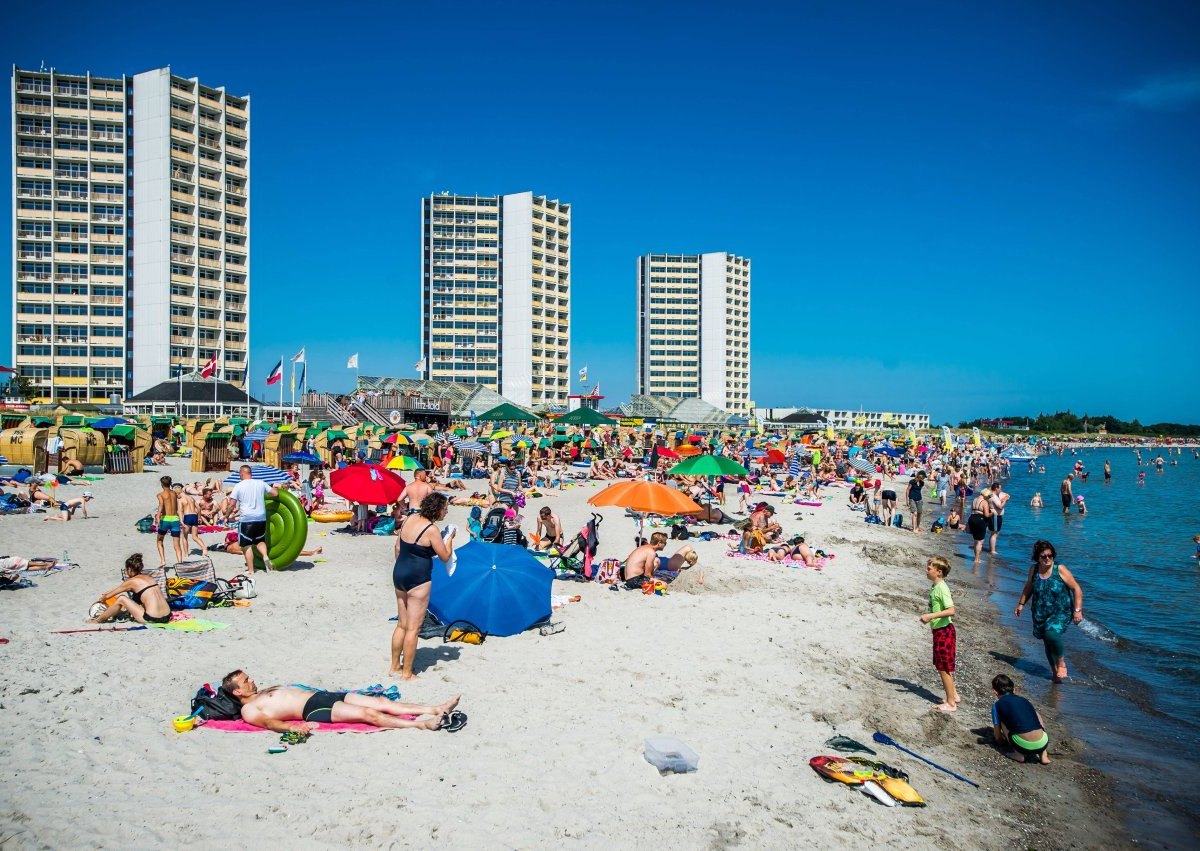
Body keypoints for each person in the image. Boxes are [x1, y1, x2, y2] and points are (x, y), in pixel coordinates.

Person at [223, 670, 462, 732]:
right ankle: (422, 724)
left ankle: (435, 708)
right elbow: (269, 724)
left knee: (379, 702)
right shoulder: (250, 710)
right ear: (237, 692)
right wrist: (293, 727)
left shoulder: (262, 693)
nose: (251, 680)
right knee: (368, 715)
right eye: (245, 681)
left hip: (323, 695)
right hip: (313, 708)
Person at [390, 492, 454, 680]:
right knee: (413, 628)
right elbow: (445, 557)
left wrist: (405, 565)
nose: (446, 513)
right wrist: (449, 538)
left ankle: (394, 667)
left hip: (399, 572)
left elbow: (397, 547)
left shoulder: (409, 519)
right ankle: (408, 674)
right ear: (438, 509)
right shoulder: (432, 530)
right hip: (418, 578)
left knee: (401, 625)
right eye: (446, 509)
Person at [1016, 540, 1084, 683]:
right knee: (1047, 642)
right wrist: (1021, 604)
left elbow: (1076, 588)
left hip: (1061, 612)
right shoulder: (1034, 570)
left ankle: (1061, 663)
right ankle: (1055, 674)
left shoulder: (1059, 569)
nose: (1048, 559)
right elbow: (1029, 587)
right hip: (1040, 612)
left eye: (1050, 556)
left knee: (1051, 633)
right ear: (1037, 557)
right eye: (1044, 556)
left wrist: (1077, 610)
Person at [919, 555, 959, 712]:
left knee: (943, 667)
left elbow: (951, 610)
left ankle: (950, 703)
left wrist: (930, 616)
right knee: (944, 665)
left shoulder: (942, 588)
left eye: (929, 569)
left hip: (945, 632)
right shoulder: (936, 587)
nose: (926, 570)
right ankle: (954, 695)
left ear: (939, 572)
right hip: (939, 631)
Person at [88, 553, 171, 625]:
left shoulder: (132, 581)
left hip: (153, 618)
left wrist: (103, 598)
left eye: (126, 570)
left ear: (129, 569)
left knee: (121, 598)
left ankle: (98, 621)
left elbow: (109, 595)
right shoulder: (149, 578)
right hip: (167, 615)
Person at [225, 465, 279, 575]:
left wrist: (226, 516)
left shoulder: (238, 486)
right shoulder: (261, 483)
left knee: (246, 546)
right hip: (261, 518)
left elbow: (232, 504)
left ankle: (251, 570)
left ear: (242, 473)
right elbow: (275, 493)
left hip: (247, 519)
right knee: (260, 540)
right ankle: (265, 556)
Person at [989, 674, 1050, 765]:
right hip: (1043, 742)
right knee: (1035, 714)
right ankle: (1043, 754)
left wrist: (999, 739)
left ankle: (1018, 754)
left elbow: (997, 735)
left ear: (995, 692)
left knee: (1002, 722)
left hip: (1023, 746)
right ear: (1014, 690)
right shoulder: (1024, 700)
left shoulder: (997, 705)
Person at [154, 476, 184, 567]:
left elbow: (161, 505)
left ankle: (163, 560)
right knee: (177, 544)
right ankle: (180, 563)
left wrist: (158, 516)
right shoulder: (174, 493)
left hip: (165, 519)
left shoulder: (160, 494)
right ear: (170, 483)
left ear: (162, 484)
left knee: (159, 540)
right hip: (175, 519)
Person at [967, 487, 993, 565]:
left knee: (975, 540)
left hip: (972, 518)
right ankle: (977, 559)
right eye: (989, 496)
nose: (989, 498)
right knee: (980, 542)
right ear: (986, 495)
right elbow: (986, 515)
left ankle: (976, 557)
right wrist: (992, 512)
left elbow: (972, 510)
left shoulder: (974, 499)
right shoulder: (984, 502)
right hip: (980, 520)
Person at [176, 484, 205, 556]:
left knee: (184, 536)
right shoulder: (191, 498)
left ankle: (186, 554)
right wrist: (199, 517)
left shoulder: (180, 500)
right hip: (194, 516)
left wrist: (181, 521)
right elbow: (198, 508)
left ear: (178, 493)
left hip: (187, 517)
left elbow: (180, 511)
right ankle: (204, 548)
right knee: (195, 536)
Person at [988, 481, 1010, 554]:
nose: (1001, 490)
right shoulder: (993, 496)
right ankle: (992, 550)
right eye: (1000, 488)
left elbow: (1004, 496)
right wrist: (1005, 500)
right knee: (994, 533)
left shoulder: (993, 495)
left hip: (996, 516)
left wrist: (1004, 498)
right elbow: (1000, 506)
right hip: (995, 516)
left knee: (994, 533)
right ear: (996, 488)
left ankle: (991, 549)